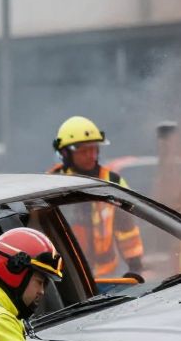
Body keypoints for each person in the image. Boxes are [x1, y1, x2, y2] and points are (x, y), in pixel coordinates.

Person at [48, 116, 144, 277]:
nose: (91, 155)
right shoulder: (51, 184)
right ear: (65, 153)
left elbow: (127, 228)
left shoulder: (113, 182)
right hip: (69, 276)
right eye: (84, 151)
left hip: (108, 275)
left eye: (93, 149)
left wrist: (135, 265)